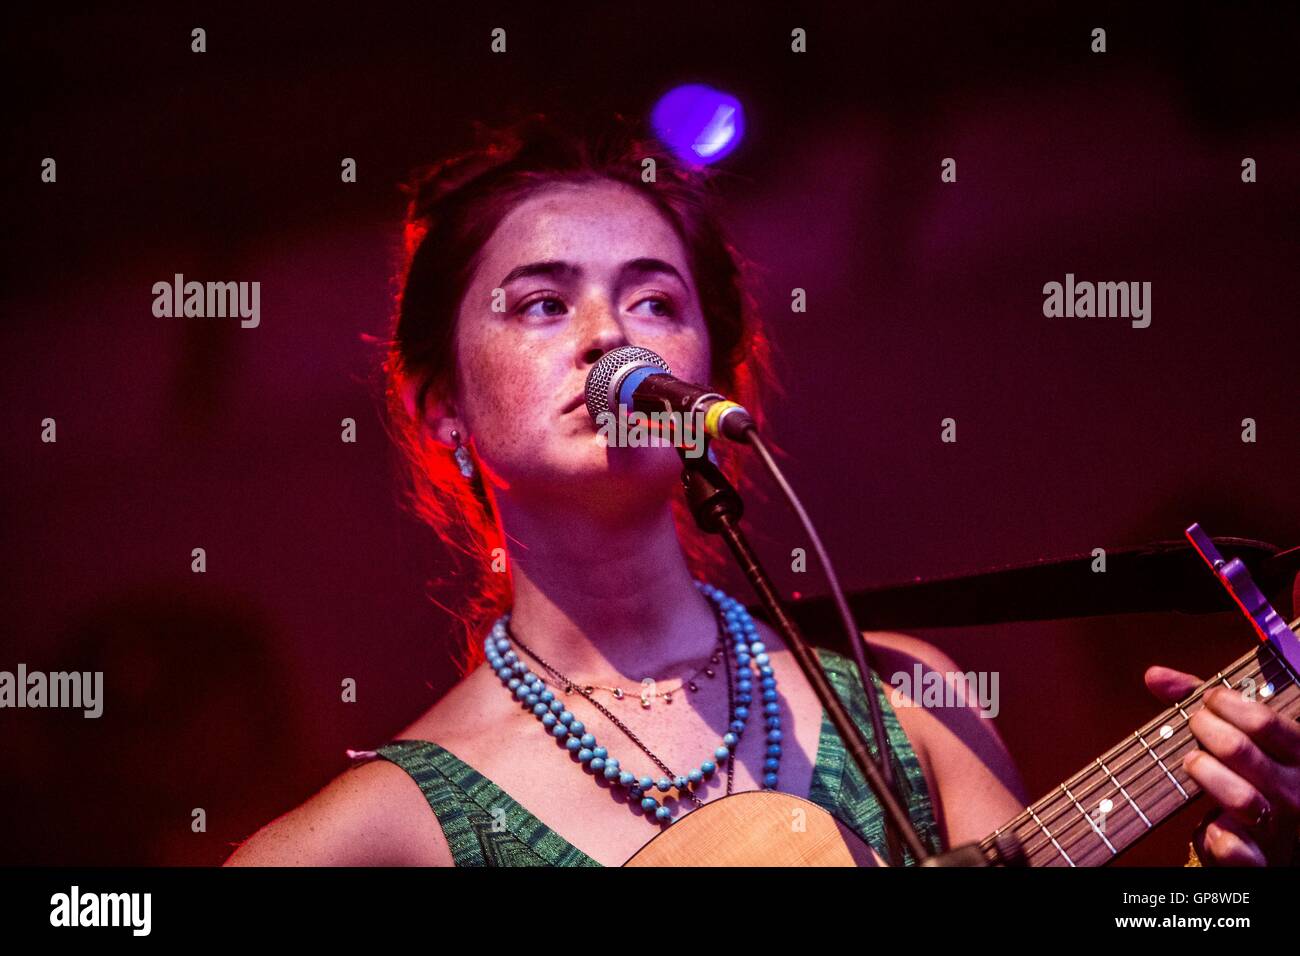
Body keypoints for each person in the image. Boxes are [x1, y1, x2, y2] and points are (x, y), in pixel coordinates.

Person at [226, 113, 1298, 868]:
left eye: (653, 300)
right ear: (440, 411)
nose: (609, 335)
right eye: (541, 304)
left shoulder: (899, 704)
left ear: (707, 373)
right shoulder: (400, 825)